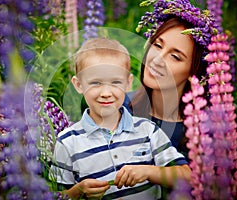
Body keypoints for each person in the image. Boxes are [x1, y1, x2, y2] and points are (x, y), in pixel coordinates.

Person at [49, 37, 190, 200]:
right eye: (95, 83)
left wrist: (149, 172)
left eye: (115, 82)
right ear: (78, 84)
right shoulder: (67, 142)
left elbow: (186, 176)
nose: (106, 92)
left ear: (128, 83)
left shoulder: (147, 130)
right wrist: (77, 191)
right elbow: (55, 196)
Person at [124, 0, 218, 160]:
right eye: (158, 45)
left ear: (195, 71)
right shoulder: (120, 105)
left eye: (175, 56)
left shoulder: (205, 131)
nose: (157, 60)